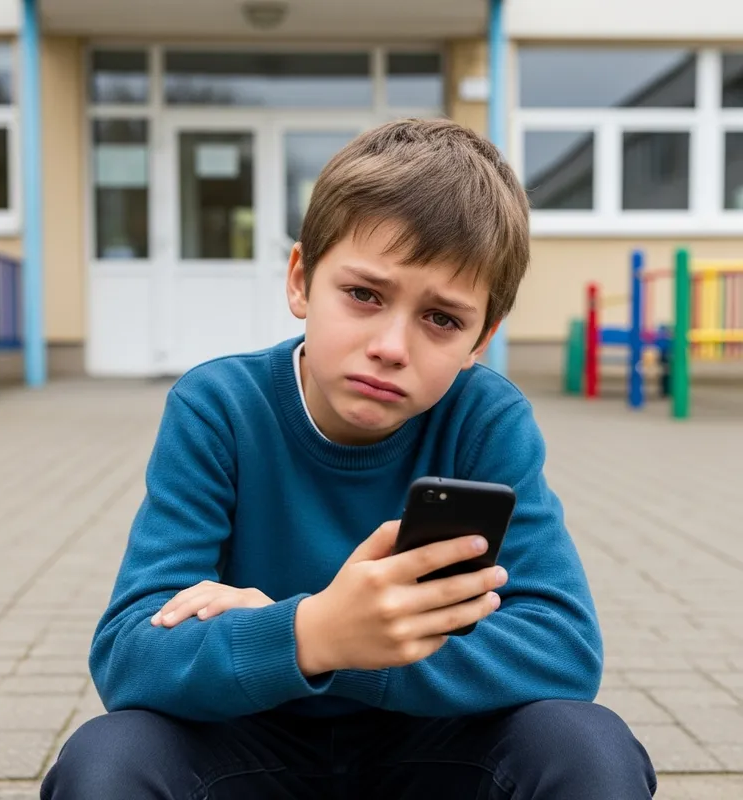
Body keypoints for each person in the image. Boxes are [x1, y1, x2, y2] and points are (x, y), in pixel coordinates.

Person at [41, 118, 656, 799]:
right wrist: (309, 631)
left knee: (585, 746)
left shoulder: (487, 420)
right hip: (250, 743)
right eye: (365, 295)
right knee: (109, 758)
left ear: (482, 337)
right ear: (301, 279)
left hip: (433, 748)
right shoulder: (217, 406)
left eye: (442, 319)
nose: (392, 345)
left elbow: (562, 649)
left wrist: (344, 645)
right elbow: (130, 656)